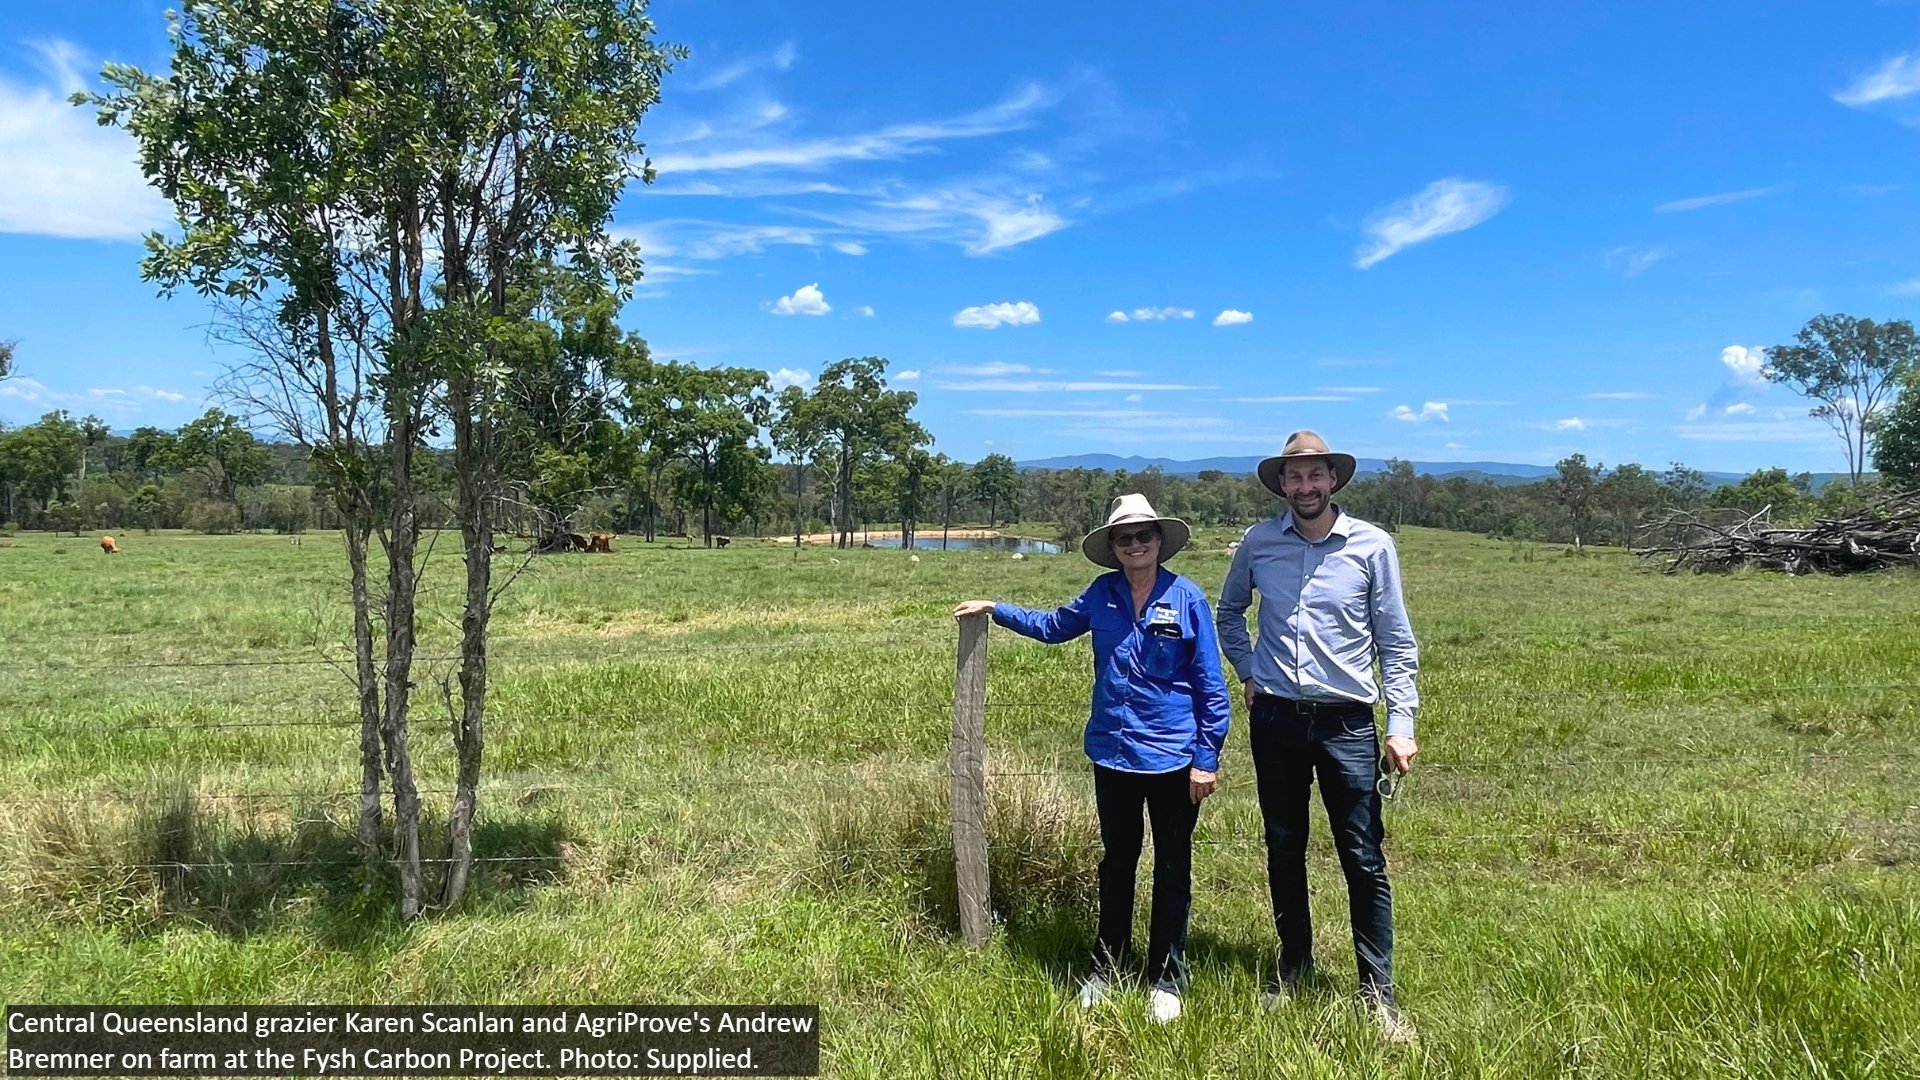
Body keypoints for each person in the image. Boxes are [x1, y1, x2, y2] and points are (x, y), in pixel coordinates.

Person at [953, 494, 1231, 1025]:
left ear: (1159, 541)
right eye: (1124, 538)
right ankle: (1106, 967)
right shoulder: (1101, 594)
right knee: (1116, 863)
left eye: (1143, 535)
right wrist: (997, 609)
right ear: (1113, 547)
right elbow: (1055, 625)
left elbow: (1210, 686)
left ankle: (1167, 977)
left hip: (1174, 758)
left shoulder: (1188, 598)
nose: (1135, 545)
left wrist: (1206, 757)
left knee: (1173, 867)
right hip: (1113, 754)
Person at [1215, 430, 1421, 1045]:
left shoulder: (1371, 546)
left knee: (1362, 855)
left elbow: (1396, 640)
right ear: (1281, 484)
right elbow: (1229, 612)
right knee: (1283, 845)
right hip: (1276, 719)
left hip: (1347, 724)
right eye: (1293, 477)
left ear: (1333, 480)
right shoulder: (1259, 543)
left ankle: (1377, 993)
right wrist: (1249, 671)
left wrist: (1401, 724)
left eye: (1315, 475)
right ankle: (1294, 966)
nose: (1304, 487)